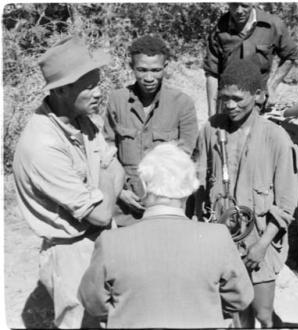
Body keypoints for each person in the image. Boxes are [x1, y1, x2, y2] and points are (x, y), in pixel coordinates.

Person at [13, 37, 124, 328]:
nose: (99, 93)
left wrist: (107, 179)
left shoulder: (81, 119)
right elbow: (101, 213)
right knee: (80, 321)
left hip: (96, 240)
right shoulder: (43, 145)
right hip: (70, 251)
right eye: (89, 86)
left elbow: (115, 166)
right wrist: (109, 179)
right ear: (61, 90)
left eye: (98, 83)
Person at [78, 142, 254, 328]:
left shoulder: (111, 241)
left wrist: (124, 312)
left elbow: (92, 302)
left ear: (144, 187)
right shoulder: (219, 237)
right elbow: (241, 298)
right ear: (190, 189)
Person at [195, 56, 298, 328]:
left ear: (258, 96)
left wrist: (262, 245)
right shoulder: (210, 129)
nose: (230, 105)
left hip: (259, 246)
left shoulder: (276, 138)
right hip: (220, 242)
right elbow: (200, 186)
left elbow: (286, 204)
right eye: (224, 97)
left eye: (238, 98)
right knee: (235, 316)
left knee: (264, 315)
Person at [103, 35, 198, 226]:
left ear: (166, 66)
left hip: (167, 207)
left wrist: (162, 199)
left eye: (155, 70)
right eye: (142, 70)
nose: (148, 78)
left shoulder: (182, 104)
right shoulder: (116, 100)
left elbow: (185, 158)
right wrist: (120, 191)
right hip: (126, 209)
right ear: (131, 66)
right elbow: (107, 153)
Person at [204, 3, 298, 116]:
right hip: (227, 105)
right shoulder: (220, 28)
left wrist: (272, 85)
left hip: (256, 104)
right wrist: (212, 114)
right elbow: (212, 73)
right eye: (234, 5)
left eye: (244, 5)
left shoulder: (272, 25)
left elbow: (291, 55)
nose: (239, 11)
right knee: (222, 133)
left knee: (253, 133)